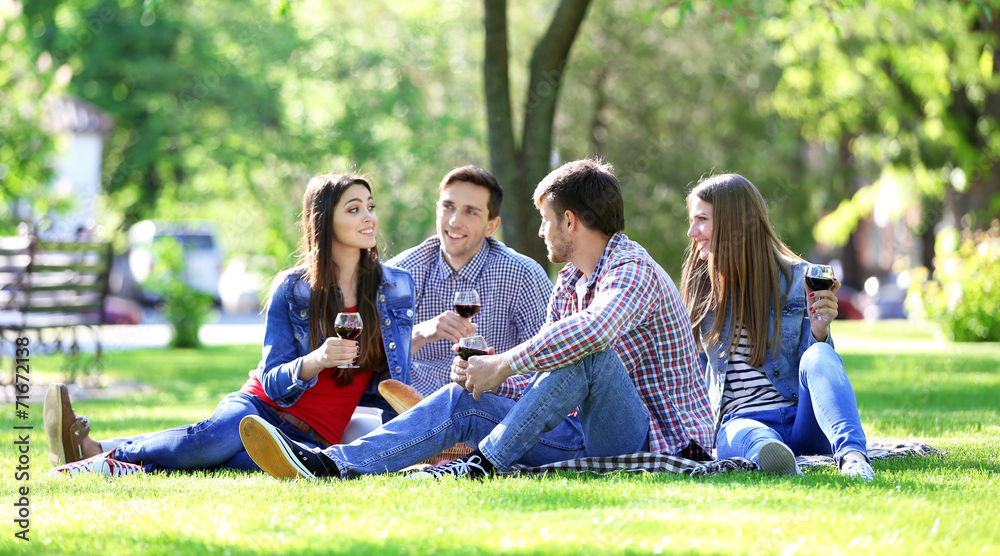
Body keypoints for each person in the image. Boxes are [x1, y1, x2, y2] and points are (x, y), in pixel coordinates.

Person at [238, 158, 715, 480]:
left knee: (591, 355)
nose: (541, 231)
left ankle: (480, 465)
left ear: (570, 221)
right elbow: (547, 385)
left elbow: (592, 334)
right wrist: (486, 377)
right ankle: (330, 465)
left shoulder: (632, 269)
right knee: (461, 399)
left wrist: (503, 363)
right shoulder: (570, 281)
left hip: (651, 439)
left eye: (546, 220)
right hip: (578, 435)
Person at [45, 173, 416, 475]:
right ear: (325, 221)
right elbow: (272, 379)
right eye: (354, 209)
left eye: (370, 207)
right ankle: (98, 455)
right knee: (206, 446)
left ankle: (101, 454)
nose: (369, 218)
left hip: (310, 440)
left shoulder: (395, 287)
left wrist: (408, 447)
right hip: (260, 409)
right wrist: (316, 360)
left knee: (223, 464)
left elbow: (393, 381)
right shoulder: (293, 288)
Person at [680, 173, 874, 481]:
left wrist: (820, 331)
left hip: (803, 420)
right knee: (740, 433)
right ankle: (772, 455)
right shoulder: (702, 286)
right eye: (692, 221)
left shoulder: (801, 279)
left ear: (734, 223)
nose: (692, 232)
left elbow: (819, 371)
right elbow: (692, 373)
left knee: (820, 354)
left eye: (701, 220)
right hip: (743, 422)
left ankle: (853, 458)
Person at [388, 165, 552, 396]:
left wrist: (494, 380)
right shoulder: (400, 273)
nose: (455, 221)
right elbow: (369, 362)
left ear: (491, 226)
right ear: (437, 210)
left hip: (489, 406)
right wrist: (418, 334)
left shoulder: (523, 275)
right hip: (412, 405)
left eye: (471, 212)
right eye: (448, 207)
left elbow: (546, 365)